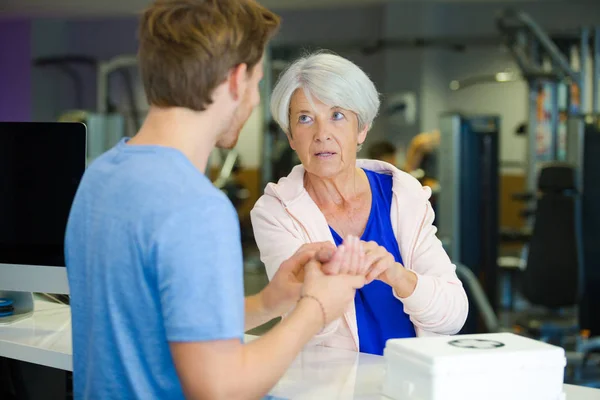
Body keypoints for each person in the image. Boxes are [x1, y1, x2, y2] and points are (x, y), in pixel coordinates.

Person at [64, 2, 368, 399]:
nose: (257, 100)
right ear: (236, 80)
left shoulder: (102, 176)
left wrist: (267, 301)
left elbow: (161, 325)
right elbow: (220, 388)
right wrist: (316, 308)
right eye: (258, 82)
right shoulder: (196, 209)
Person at [250, 52, 469, 356]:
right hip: (333, 386)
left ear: (362, 129)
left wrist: (397, 275)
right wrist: (327, 283)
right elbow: (306, 332)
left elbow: (453, 316)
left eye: (337, 116)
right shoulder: (276, 212)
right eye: (305, 118)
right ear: (290, 136)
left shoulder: (402, 195)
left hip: (412, 382)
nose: (322, 134)